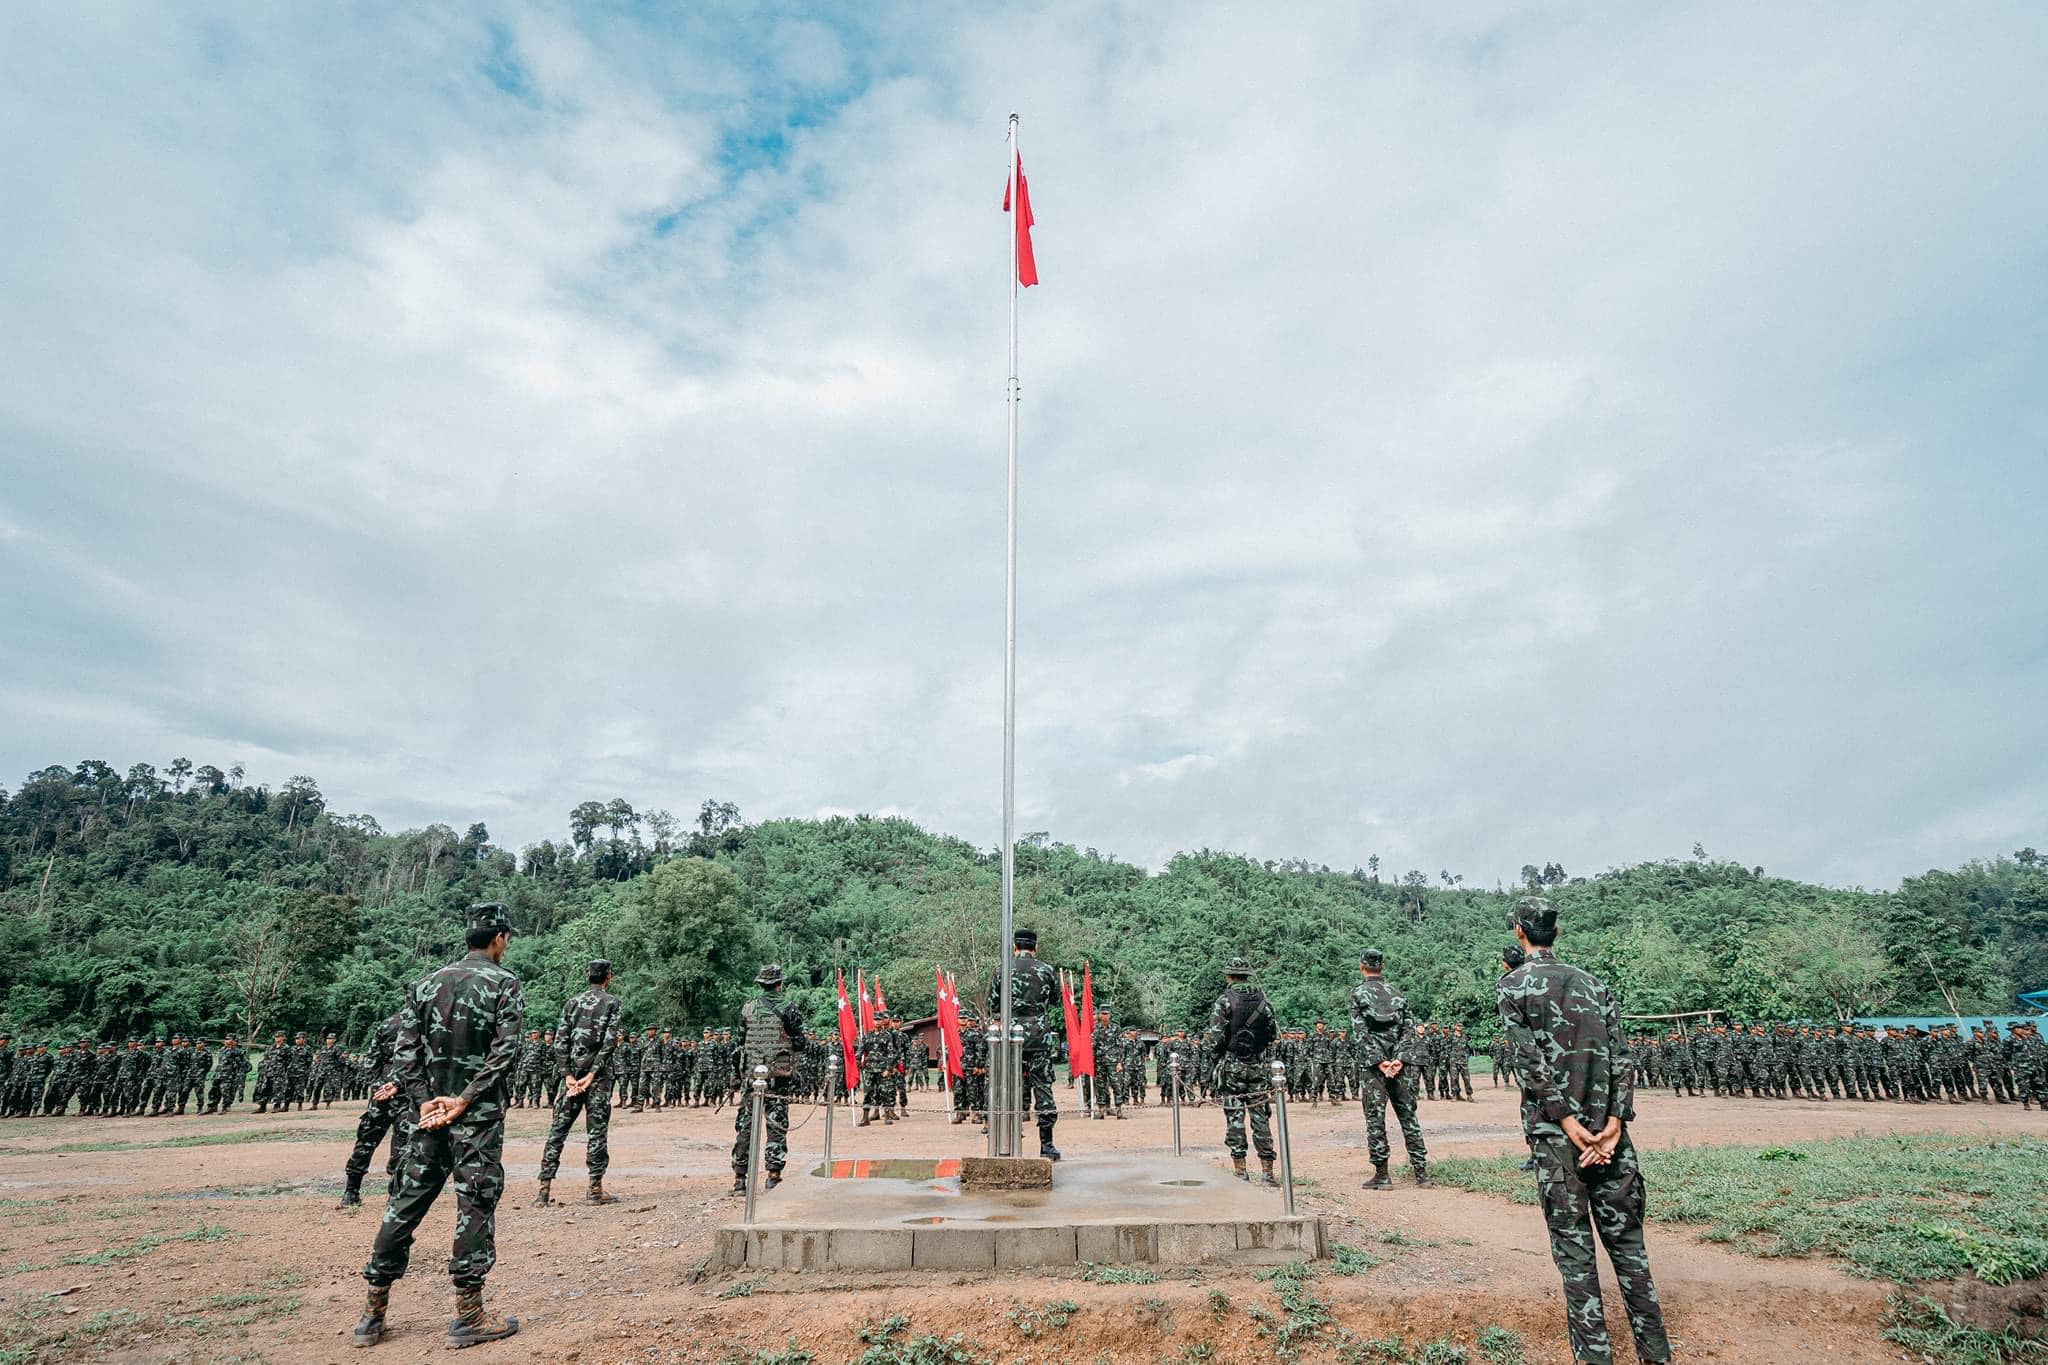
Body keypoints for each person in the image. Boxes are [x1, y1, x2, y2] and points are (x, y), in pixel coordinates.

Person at [1498, 896, 1670, 1365]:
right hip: (1612, 1141)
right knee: (1632, 1255)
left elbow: (1530, 1065)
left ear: (1520, 932)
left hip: (1559, 1144)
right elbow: (1622, 1059)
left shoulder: (1513, 986)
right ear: (1557, 931)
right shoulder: (1595, 985)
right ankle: (1656, 1355)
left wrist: (1571, 1126)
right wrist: (1612, 1127)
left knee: (1576, 1264)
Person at [354, 902, 524, 1349]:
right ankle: (468, 1316)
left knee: (404, 1204)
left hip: (425, 1118)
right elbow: (504, 1054)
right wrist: (464, 1099)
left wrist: (427, 1101)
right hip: (477, 1121)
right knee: (475, 1206)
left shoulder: (426, 984)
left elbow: (404, 1055)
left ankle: (372, 1315)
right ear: (499, 938)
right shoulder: (504, 984)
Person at [536, 960, 624, 1207]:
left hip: (572, 1078)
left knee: (557, 1130)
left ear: (588, 976)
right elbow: (610, 1042)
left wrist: (568, 1075)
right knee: (596, 1131)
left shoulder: (571, 1003)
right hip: (597, 1079)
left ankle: (543, 1190)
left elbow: (559, 1043)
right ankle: (595, 1189)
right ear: (608, 976)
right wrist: (593, 1074)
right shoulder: (612, 1003)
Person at [1350, 948, 1429, 1189]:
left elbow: (1360, 1033)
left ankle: (1382, 1175)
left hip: (1375, 1068)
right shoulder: (1398, 994)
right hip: (1400, 1066)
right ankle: (1421, 1174)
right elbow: (1409, 1030)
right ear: (1382, 965)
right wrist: (1400, 1060)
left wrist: (1380, 1062)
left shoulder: (1358, 994)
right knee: (1408, 1116)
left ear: (1362, 966)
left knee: (1375, 1118)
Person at [986, 927, 1063, 1160]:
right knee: (1043, 1087)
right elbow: (1056, 1000)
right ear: (1035, 947)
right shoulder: (1047, 970)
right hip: (1039, 1036)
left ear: (1014, 947)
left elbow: (992, 1002)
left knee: (1006, 1087)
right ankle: (1047, 1145)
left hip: (1011, 1037)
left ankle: (1006, 1140)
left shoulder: (1002, 970)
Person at [730, 963, 806, 1193]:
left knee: (745, 1127)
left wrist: (736, 1075)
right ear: (779, 984)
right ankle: (773, 1175)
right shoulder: (789, 1008)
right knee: (776, 1126)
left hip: (751, 1077)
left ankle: (740, 1179)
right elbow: (800, 1041)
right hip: (777, 1079)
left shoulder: (747, 1008)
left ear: (760, 984)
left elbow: (739, 1044)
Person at [1204, 956, 1279, 1184]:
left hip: (1233, 1066)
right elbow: (1272, 1034)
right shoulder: (1263, 1001)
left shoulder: (1224, 1001)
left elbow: (1215, 1039)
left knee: (1235, 1118)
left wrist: (1215, 1056)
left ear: (1229, 976)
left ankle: (1241, 1171)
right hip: (1257, 1066)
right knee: (1260, 1117)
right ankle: (1268, 1172)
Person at [340, 1010, 413, 1209]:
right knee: (403, 1147)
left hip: (384, 1094)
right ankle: (394, 1196)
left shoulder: (388, 1023)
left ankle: (351, 1192)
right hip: (406, 1095)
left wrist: (377, 1086)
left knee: (366, 1142)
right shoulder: (424, 1024)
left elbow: (371, 1060)